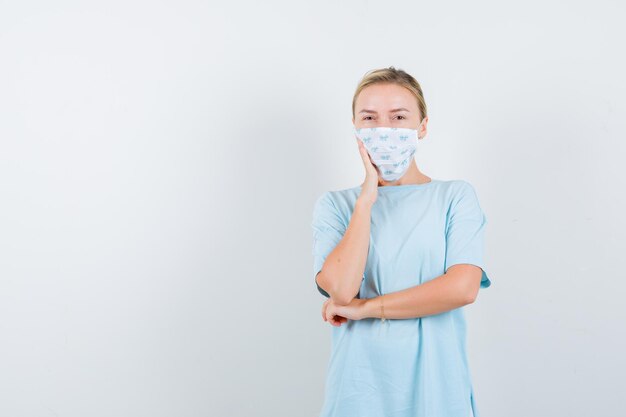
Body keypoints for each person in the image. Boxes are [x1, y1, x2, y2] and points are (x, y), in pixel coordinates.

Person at [311, 66, 492, 417]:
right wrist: (366, 200)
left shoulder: (455, 197)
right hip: (357, 393)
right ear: (356, 129)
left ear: (422, 127)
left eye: (398, 117)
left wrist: (366, 309)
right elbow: (342, 292)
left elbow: (462, 289)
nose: (384, 129)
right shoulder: (335, 206)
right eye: (370, 118)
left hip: (437, 390)